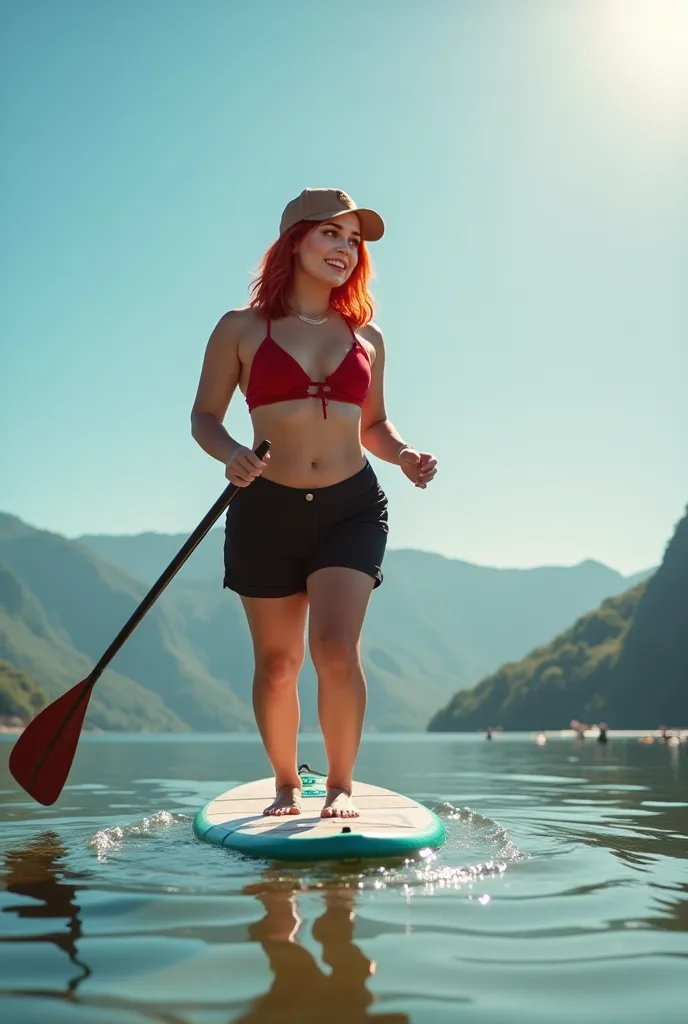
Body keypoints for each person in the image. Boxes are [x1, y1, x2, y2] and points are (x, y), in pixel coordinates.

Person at [191, 187, 437, 819]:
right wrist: (229, 454)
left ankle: (340, 786)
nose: (345, 249)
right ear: (294, 241)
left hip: (351, 509)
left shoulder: (369, 337)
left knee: (335, 648)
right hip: (265, 509)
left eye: (354, 241)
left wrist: (404, 454)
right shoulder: (241, 329)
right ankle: (283, 785)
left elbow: (375, 425)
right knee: (277, 664)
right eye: (331, 234)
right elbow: (205, 418)